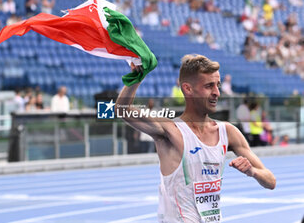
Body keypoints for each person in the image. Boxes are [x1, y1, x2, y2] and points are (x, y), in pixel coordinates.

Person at [115, 54, 276, 222]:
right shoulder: (171, 130)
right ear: (188, 89)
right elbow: (122, 110)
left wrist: (253, 172)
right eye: (209, 86)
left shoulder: (227, 131)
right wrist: (138, 76)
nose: (216, 93)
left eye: (218, 85)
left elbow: (270, 181)